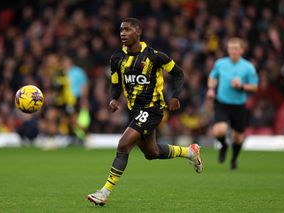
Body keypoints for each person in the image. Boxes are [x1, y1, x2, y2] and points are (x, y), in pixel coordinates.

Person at [87, 18, 203, 206]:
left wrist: (174, 96)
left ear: (138, 32)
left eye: (127, 29)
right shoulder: (117, 58)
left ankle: (104, 192)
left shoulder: (155, 56)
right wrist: (113, 99)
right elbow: (116, 84)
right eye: (121, 30)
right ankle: (189, 152)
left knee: (123, 145)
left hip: (153, 109)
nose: (123, 33)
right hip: (135, 111)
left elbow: (179, 73)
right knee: (152, 152)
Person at [207, 37, 259, 170]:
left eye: (236, 48)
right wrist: (211, 89)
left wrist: (241, 86)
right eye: (230, 48)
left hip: (239, 105)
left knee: (237, 138)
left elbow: (254, 87)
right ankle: (223, 146)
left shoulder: (248, 67)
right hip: (222, 103)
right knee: (219, 130)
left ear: (242, 50)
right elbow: (213, 77)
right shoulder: (220, 63)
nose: (233, 51)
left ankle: (234, 158)